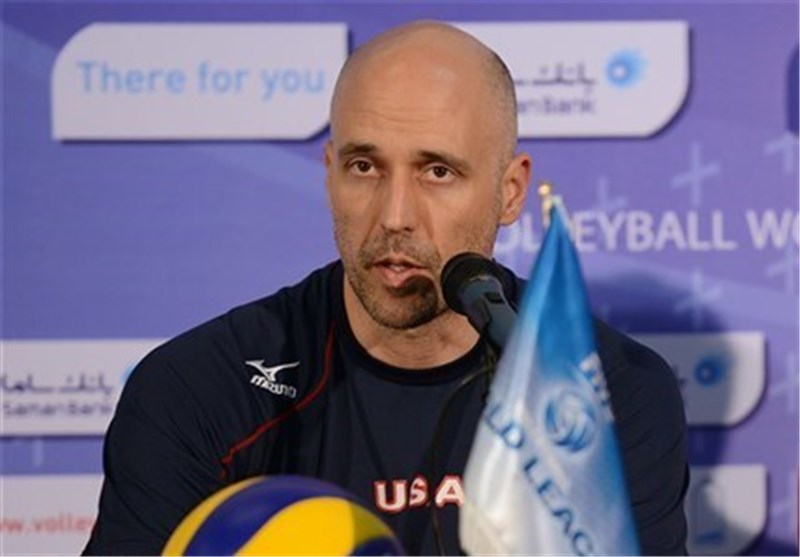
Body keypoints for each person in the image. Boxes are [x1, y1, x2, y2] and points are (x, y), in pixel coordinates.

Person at [83, 21, 688, 555]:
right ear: (329, 175)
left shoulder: (607, 393)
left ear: (510, 192)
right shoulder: (198, 390)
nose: (395, 216)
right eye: (364, 167)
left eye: (438, 171)